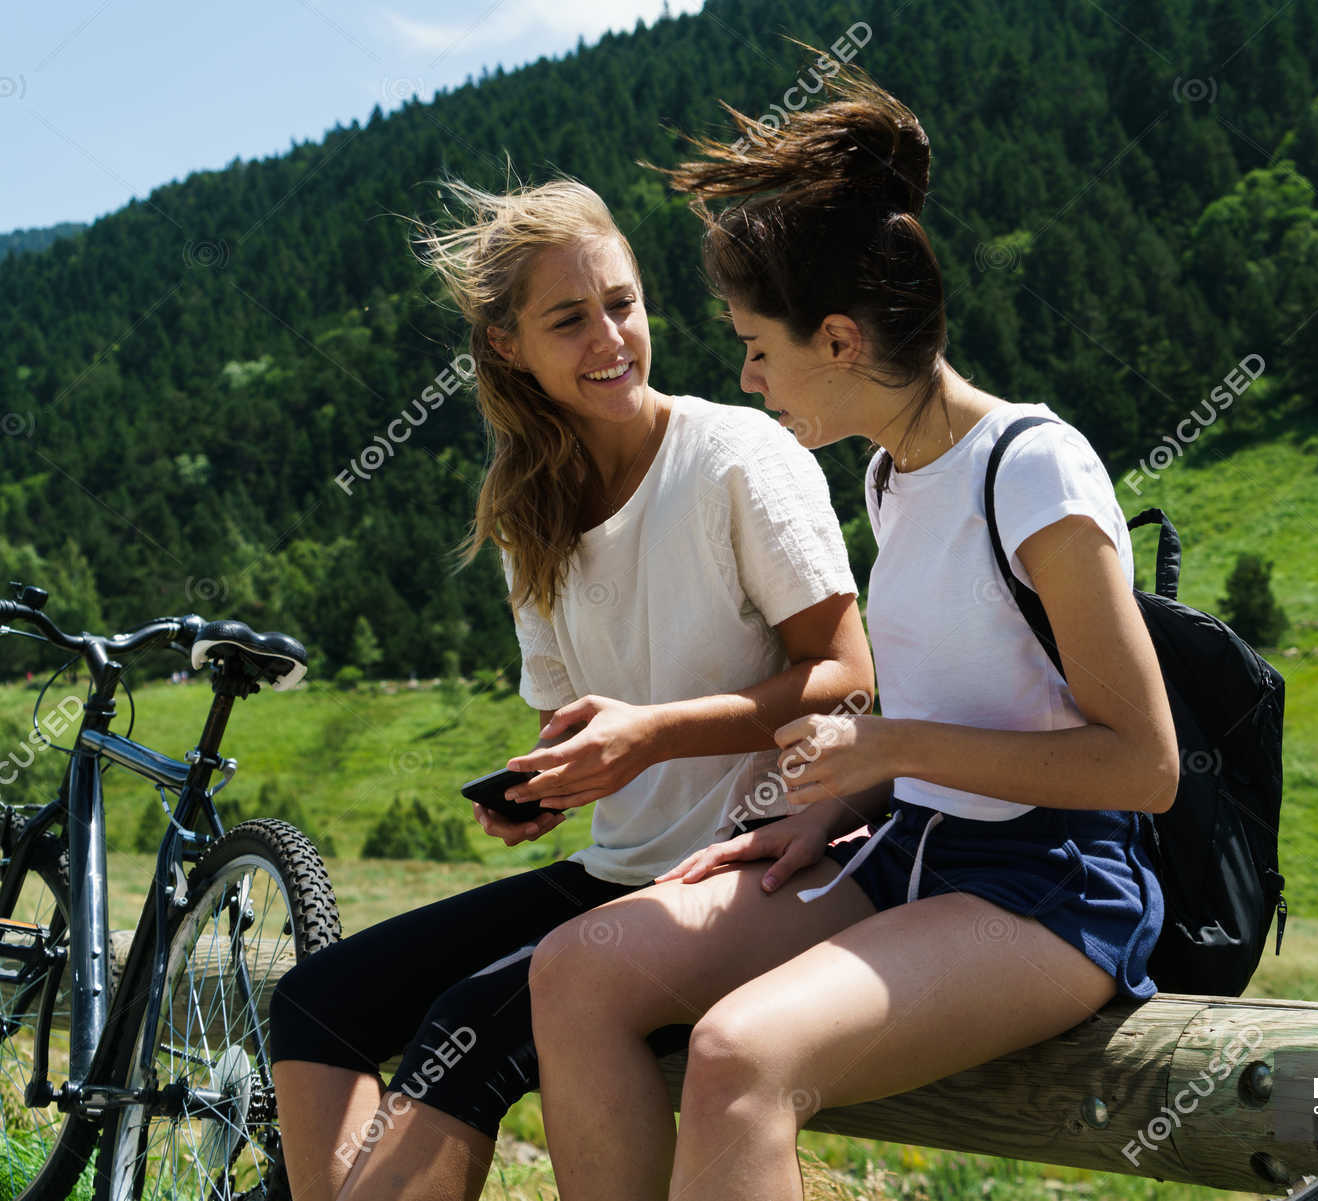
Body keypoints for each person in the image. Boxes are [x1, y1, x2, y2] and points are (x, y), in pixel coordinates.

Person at [527, 72, 1178, 1201]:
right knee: (579, 969)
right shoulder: (890, 477)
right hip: (910, 850)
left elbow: (1144, 764)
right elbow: (964, 714)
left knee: (741, 1055)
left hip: (1056, 891)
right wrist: (834, 807)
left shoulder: (1035, 470)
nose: (745, 377)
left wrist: (885, 753)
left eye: (756, 348)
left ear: (836, 338)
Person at [266, 176, 874, 1201]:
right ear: (509, 344)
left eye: (622, 304)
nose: (612, 339)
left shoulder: (737, 458)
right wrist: (550, 780)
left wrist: (650, 736)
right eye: (570, 318)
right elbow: (577, 713)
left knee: (465, 1026)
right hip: (619, 871)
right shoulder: (530, 508)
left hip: (756, 870)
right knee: (318, 999)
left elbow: (849, 681)